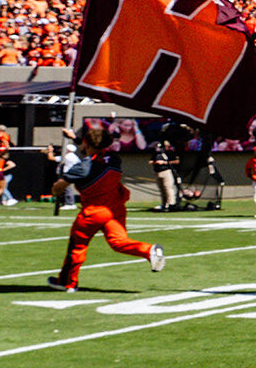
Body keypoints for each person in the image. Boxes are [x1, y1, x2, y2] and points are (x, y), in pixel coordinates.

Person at [47, 124, 164, 292]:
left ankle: (67, 282)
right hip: (115, 208)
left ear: (87, 143)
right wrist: (74, 137)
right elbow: (93, 150)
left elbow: (60, 186)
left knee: (77, 247)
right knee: (119, 242)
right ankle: (149, 250)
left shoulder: (82, 167)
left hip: (93, 212)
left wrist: (55, 188)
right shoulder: (114, 158)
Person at [151, 140, 181, 211]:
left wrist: (164, 162)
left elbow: (177, 161)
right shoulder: (156, 154)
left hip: (166, 171)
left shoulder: (169, 153)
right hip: (158, 172)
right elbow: (151, 160)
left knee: (168, 188)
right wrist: (154, 162)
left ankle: (171, 204)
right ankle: (164, 204)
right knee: (162, 190)